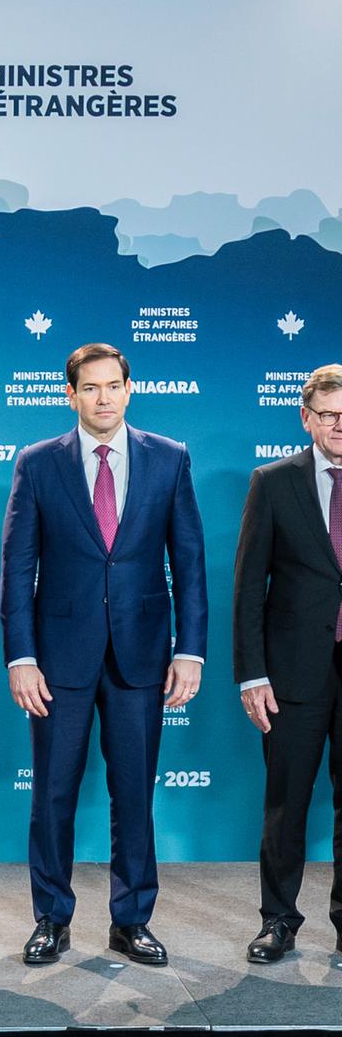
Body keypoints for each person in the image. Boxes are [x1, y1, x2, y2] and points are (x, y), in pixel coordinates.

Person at [1, 343, 207, 967]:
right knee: (53, 795)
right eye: (90, 388)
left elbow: (190, 563)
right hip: (58, 660)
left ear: (129, 388)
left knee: (134, 793)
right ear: (70, 394)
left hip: (142, 656)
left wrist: (190, 650)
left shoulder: (169, 458)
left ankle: (131, 919)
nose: (103, 397)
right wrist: (21, 657)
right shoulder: (38, 463)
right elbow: (17, 568)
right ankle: (51, 919)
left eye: (113, 385)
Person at [233, 363, 342, 963]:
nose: (338, 425)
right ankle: (279, 921)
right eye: (328, 414)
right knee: (287, 803)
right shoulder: (273, 482)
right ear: (306, 418)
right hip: (294, 675)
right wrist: (253, 674)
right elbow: (249, 585)